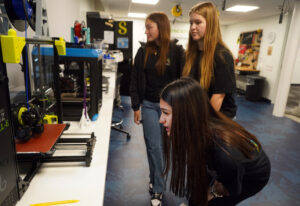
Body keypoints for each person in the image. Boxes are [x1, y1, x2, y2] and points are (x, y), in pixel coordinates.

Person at [159, 77, 271, 206]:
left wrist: (213, 192)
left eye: (165, 113)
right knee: (197, 197)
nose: (161, 120)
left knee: (216, 202)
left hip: (252, 175)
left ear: (186, 114)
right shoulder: (196, 128)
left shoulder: (224, 154)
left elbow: (231, 190)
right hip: (229, 163)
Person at [129, 12, 184, 206]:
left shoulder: (177, 52)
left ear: (161, 27)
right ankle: (159, 190)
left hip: (170, 109)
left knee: (162, 150)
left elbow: (183, 82)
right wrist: (136, 106)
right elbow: (134, 79)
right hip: (150, 105)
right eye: (145, 27)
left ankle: (154, 180)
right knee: (154, 147)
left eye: (149, 27)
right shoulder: (143, 52)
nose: (146, 31)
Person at [182, 1, 237, 118]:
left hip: (218, 117)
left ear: (211, 24)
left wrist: (201, 123)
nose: (192, 27)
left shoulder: (222, 56)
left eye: (198, 22)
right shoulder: (191, 54)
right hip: (197, 112)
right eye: (191, 23)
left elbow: (218, 97)